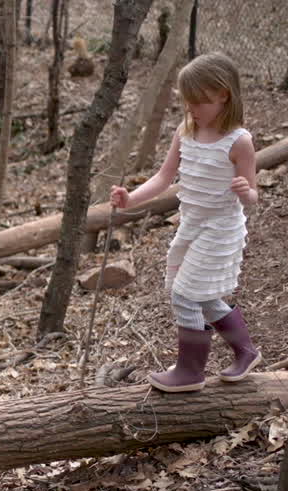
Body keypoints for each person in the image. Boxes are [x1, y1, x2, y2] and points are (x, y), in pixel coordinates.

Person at [110, 52, 262, 392]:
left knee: (184, 294)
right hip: (192, 226)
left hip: (221, 229)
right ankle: (246, 351)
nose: (192, 109)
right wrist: (131, 199)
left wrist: (244, 191)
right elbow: (164, 178)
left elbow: (253, 194)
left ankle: (190, 371)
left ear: (223, 95)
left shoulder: (239, 141)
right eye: (187, 103)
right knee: (204, 297)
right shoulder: (186, 131)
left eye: (199, 102)